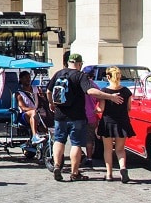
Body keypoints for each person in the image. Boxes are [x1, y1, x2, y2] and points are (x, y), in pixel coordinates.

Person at [46, 53, 123, 181]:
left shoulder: (58, 73)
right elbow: (90, 91)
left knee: (59, 140)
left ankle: (57, 166)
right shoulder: (80, 75)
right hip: (77, 116)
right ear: (80, 63)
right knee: (76, 144)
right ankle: (75, 173)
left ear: (68, 62)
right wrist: (110, 97)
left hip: (60, 115)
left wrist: (51, 103)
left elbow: (49, 91)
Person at [96, 66, 136, 183]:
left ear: (108, 77)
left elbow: (101, 108)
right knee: (120, 149)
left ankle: (109, 174)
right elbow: (129, 108)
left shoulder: (104, 91)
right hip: (122, 122)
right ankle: (123, 168)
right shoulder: (126, 91)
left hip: (108, 122)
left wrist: (95, 109)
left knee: (108, 149)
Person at [16, 70, 46, 145]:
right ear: (21, 79)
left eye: (29, 77)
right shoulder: (19, 93)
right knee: (34, 113)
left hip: (38, 112)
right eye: (25, 78)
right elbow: (23, 108)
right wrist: (35, 110)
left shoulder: (36, 89)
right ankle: (34, 136)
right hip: (25, 115)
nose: (28, 79)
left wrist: (42, 96)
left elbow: (43, 100)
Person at [82, 66, 100, 167]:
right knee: (90, 139)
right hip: (91, 115)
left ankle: (79, 155)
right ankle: (89, 158)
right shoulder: (95, 86)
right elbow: (99, 101)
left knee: (75, 138)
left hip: (79, 115)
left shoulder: (80, 85)